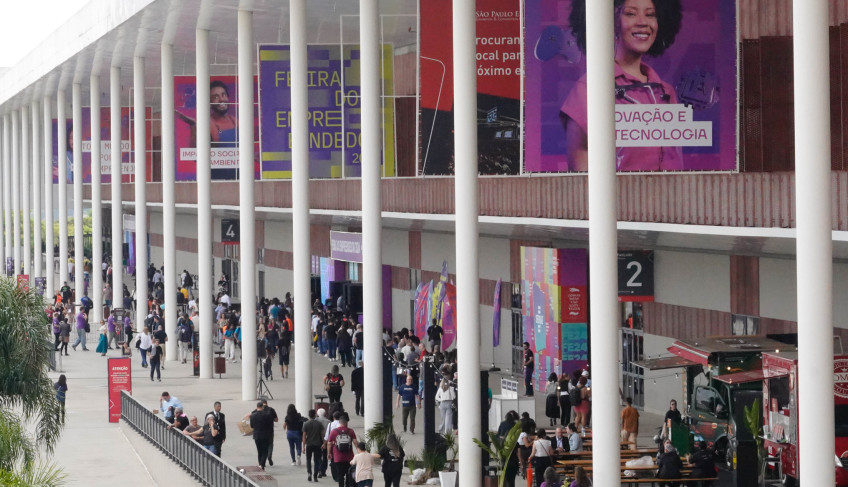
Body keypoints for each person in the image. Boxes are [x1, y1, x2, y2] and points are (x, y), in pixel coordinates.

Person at [561, 0, 685, 172]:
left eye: (650, 14)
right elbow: (582, 181)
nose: (642, 22)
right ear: (610, 20)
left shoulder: (666, 91)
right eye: (631, 13)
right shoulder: (589, 89)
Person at [327, 413, 357, 487]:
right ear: (346, 422)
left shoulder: (334, 431)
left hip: (338, 457)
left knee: (340, 475)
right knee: (348, 474)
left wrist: (329, 453)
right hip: (349, 457)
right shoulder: (350, 431)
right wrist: (359, 451)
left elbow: (329, 443)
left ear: (339, 422)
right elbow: (355, 442)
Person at [250, 401, 275, 470]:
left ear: (257, 407)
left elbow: (252, 426)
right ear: (262, 407)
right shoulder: (267, 415)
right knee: (265, 451)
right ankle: (261, 465)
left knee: (259, 450)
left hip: (256, 436)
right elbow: (270, 425)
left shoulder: (252, 416)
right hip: (265, 435)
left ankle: (260, 465)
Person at [303, 409, 325, 482]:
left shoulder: (306, 424)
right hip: (317, 444)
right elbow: (322, 435)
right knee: (316, 460)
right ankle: (315, 475)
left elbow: (304, 436)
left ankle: (309, 473)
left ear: (309, 415)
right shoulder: (319, 424)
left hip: (309, 444)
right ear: (315, 415)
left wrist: (303, 447)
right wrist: (324, 443)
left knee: (308, 459)